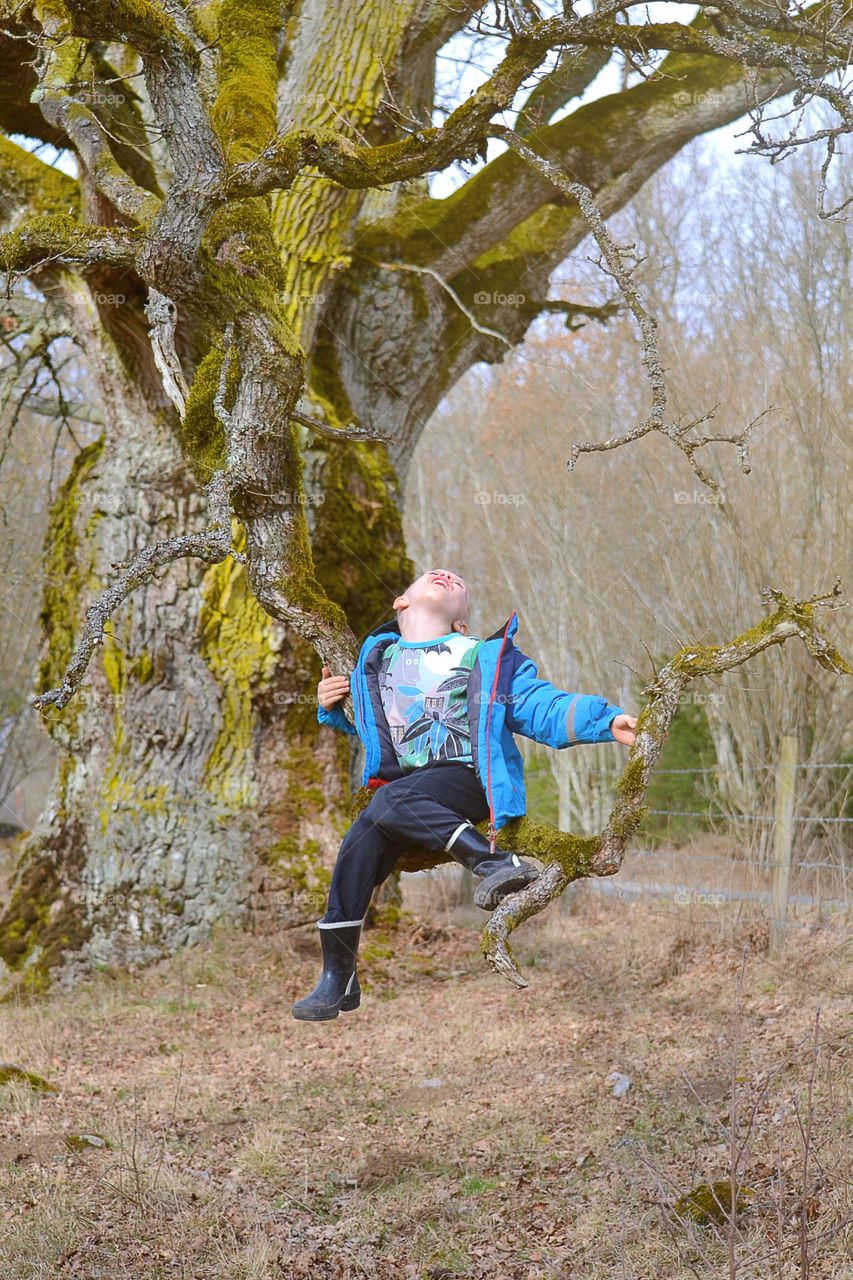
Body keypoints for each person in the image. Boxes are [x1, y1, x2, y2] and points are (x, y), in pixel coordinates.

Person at [291, 569, 637, 1021]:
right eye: (433, 575)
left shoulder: (480, 655)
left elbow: (540, 706)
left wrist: (606, 722)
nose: (446, 575)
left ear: (462, 624)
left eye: (457, 583)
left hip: (466, 777)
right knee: (355, 849)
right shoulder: (377, 662)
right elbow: (374, 728)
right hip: (410, 793)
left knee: (389, 801)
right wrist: (329, 703)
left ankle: (493, 862)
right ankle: (338, 975)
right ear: (401, 601)